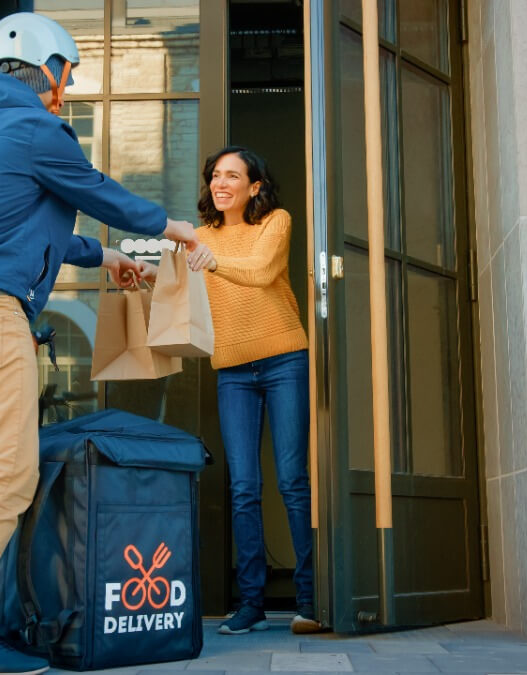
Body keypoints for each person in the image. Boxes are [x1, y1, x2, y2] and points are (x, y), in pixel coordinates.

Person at [0, 12, 198, 675]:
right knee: (10, 478)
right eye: (68, 71)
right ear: (46, 64)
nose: (68, 87)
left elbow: (26, 225)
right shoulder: (35, 127)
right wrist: (174, 228)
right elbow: (97, 191)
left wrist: (102, 257)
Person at [184, 146, 321, 635]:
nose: (220, 184)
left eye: (232, 176)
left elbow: (261, 272)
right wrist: (145, 273)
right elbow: (183, 287)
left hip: (285, 359)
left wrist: (211, 262)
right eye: (215, 176)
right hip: (233, 372)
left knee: (291, 480)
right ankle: (251, 604)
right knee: (243, 488)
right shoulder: (199, 237)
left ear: (254, 186)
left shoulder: (275, 222)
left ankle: (309, 600)